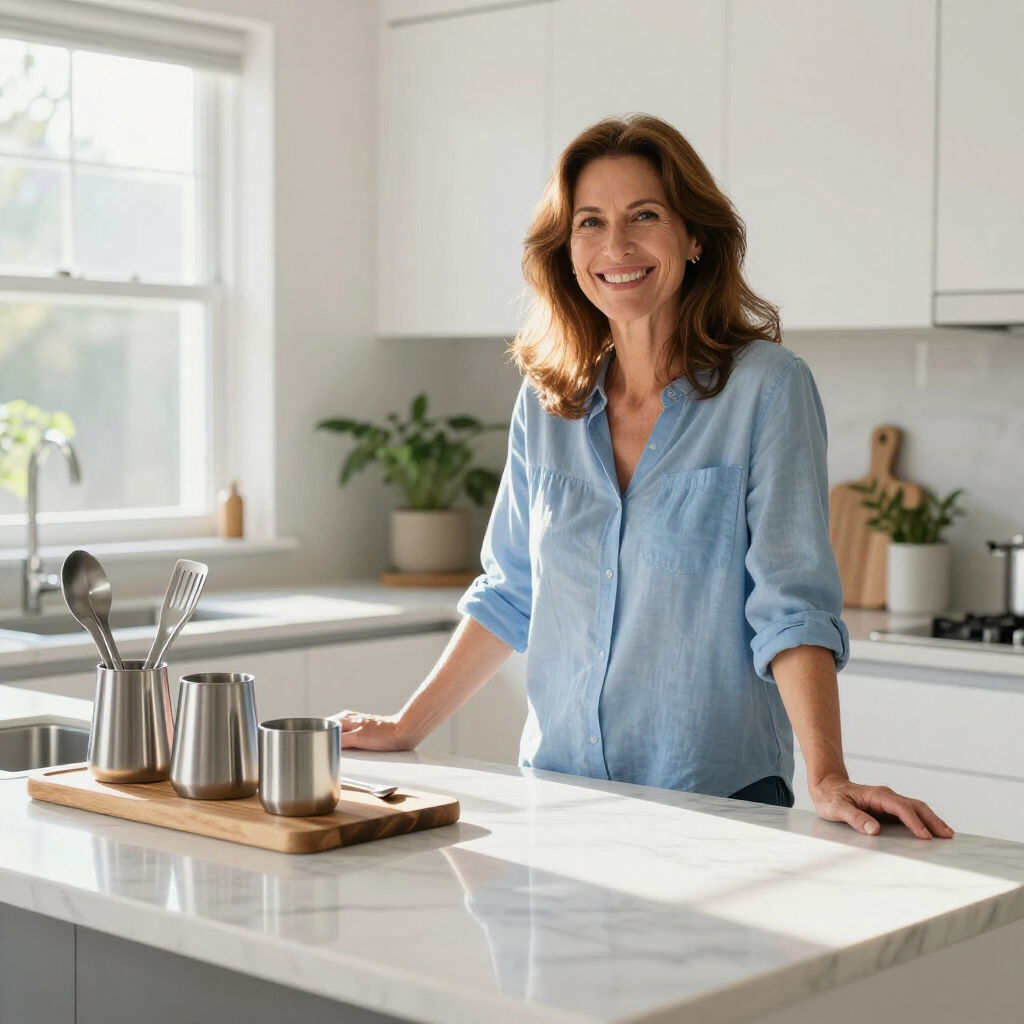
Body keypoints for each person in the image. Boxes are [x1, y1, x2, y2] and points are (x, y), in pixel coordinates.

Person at [337, 114, 952, 841]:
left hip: (716, 802)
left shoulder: (767, 390)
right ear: (567, 252)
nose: (616, 246)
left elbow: (790, 606)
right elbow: (511, 590)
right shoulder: (546, 402)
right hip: (555, 795)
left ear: (695, 237)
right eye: (590, 222)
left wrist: (828, 776)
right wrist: (409, 725)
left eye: (645, 216)